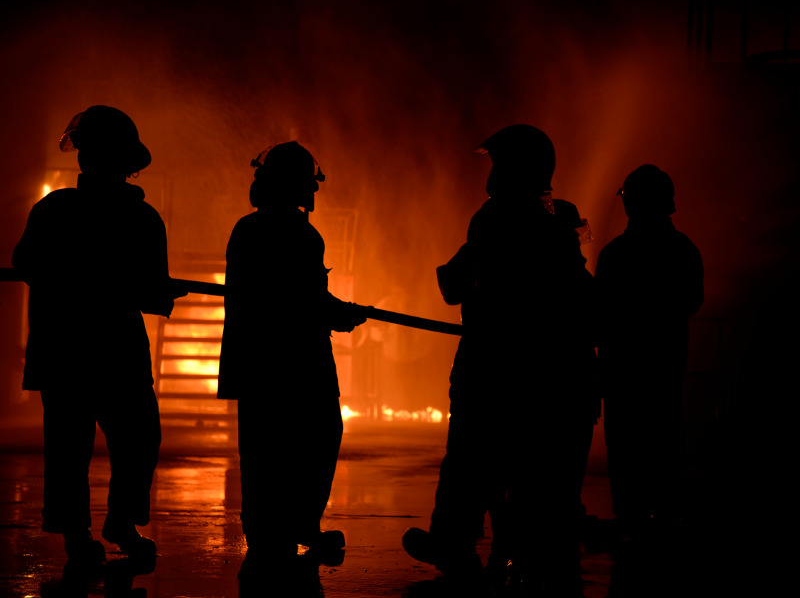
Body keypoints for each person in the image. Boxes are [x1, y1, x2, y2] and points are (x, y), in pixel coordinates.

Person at [403, 124, 598, 594]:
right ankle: (520, 545)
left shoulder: (493, 220)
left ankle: (457, 543)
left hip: (490, 363)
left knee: (471, 459)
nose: (491, 173)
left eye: (496, 162)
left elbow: (453, 285)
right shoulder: (557, 222)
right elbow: (580, 293)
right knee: (526, 462)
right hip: (543, 368)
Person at [12, 105, 181, 565]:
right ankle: (113, 525)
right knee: (137, 438)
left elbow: (25, 265)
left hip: (64, 350)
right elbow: (151, 294)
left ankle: (82, 535)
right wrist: (160, 290)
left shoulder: (54, 210)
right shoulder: (142, 219)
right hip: (116, 350)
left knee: (71, 447)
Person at [217, 141, 366, 575]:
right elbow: (300, 300)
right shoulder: (299, 234)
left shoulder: (248, 229)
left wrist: (333, 308)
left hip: (259, 362)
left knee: (264, 448)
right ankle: (297, 525)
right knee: (317, 438)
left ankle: (269, 532)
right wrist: (339, 314)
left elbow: (301, 294)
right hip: (298, 362)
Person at [596, 165, 704, 540]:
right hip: (664, 364)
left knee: (626, 440)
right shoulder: (683, 250)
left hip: (622, 368)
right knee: (664, 432)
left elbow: (600, 314)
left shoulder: (615, 255)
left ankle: (631, 515)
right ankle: (667, 512)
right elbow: (692, 301)